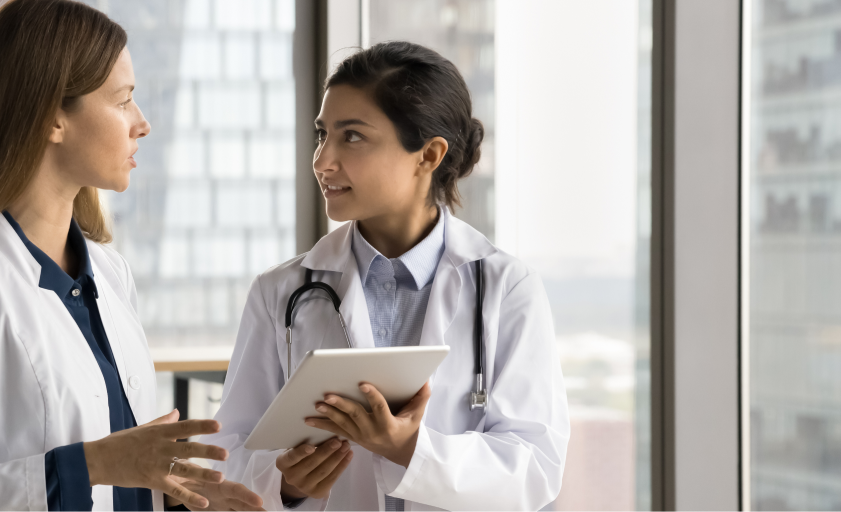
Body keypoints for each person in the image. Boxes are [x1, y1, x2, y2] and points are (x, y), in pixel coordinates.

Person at [0, 0, 263, 512]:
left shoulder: (110, 273)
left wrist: (178, 496)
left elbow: (121, 474)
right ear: (53, 119)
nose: (141, 122)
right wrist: (92, 465)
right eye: (123, 101)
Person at [204, 41, 570, 512]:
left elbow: (536, 468)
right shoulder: (281, 291)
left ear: (428, 155)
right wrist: (285, 483)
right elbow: (229, 452)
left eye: (352, 137)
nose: (323, 161)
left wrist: (410, 450)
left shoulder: (505, 287)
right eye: (323, 135)